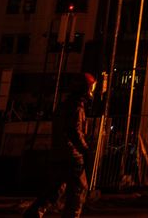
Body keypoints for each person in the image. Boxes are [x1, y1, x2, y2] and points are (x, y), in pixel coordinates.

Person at [24, 72, 95, 218]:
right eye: (91, 88)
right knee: (77, 194)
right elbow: (75, 132)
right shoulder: (76, 107)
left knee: (54, 190)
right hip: (72, 156)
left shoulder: (63, 106)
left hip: (58, 155)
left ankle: (33, 214)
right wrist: (86, 150)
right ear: (85, 89)